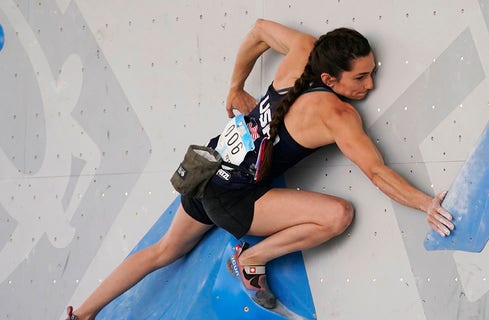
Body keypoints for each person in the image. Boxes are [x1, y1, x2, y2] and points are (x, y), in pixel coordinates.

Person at [66, 18, 454, 319]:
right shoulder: (337, 115)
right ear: (328, 78)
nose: (370, 85)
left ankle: (83, 312)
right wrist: (425, 204)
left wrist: (235, 87)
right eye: (360, 77)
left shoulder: (303, 50)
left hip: (207, 171)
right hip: (233, 198)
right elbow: (377, 172)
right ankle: (251, 259)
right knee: (338, 215)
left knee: (163, 250)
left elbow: (258, 30)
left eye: (372, 72)